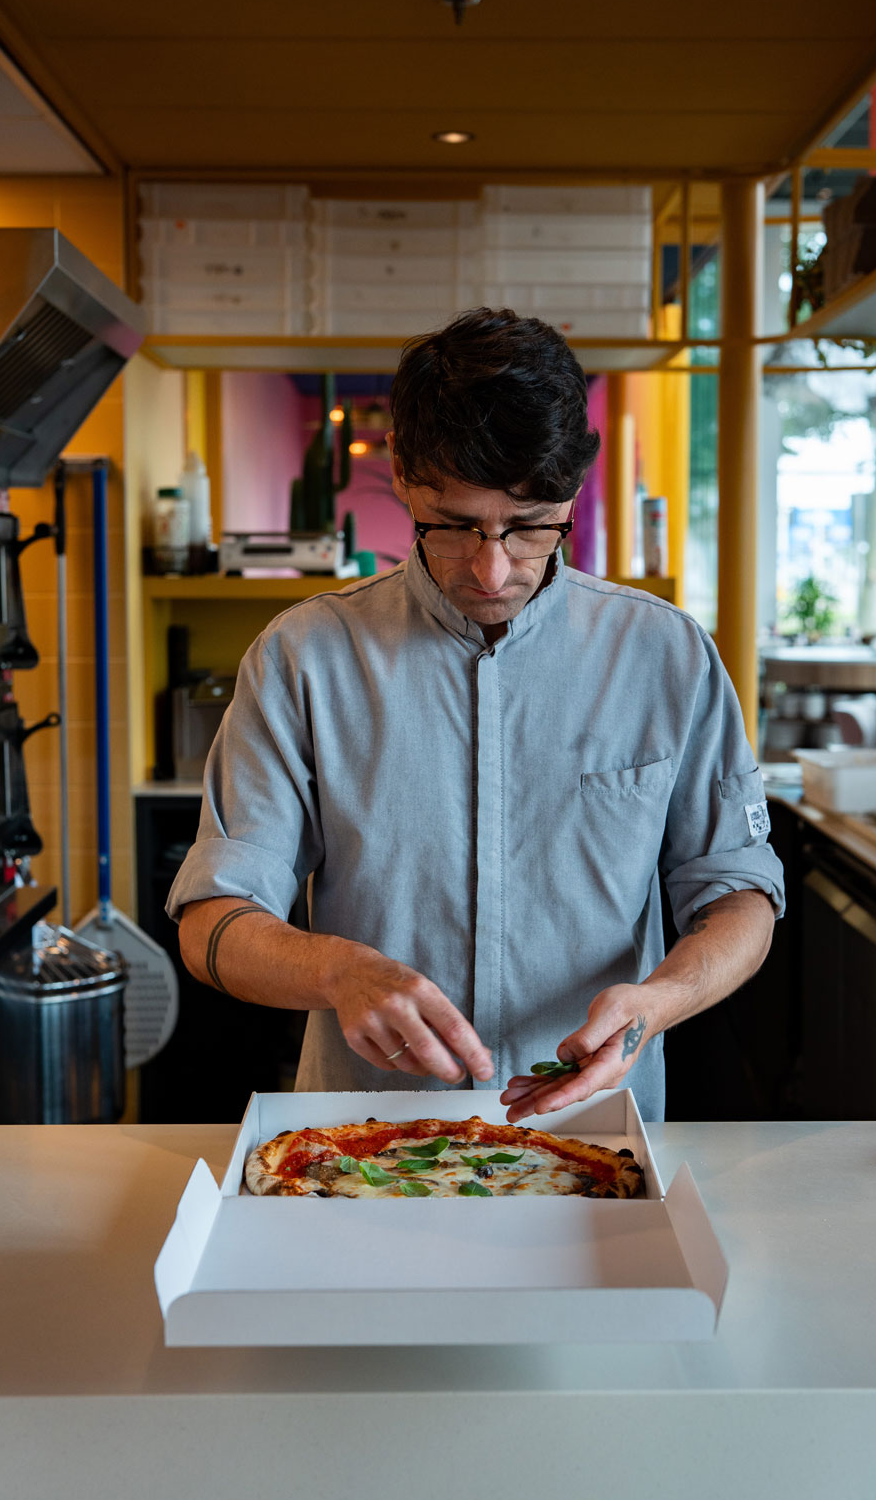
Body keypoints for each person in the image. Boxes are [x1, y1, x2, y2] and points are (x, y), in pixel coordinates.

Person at [169, 308, 784, 1122]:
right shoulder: (305, 656)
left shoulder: (664, 656)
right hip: (363, 1141)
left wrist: (657, 1003)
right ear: (399, 471)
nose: (492, 569)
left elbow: (738, 892)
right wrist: (337, 971)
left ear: (574, 490)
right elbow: (214, 914)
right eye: (453, 525)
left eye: (530, 529)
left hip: (593, 1135)